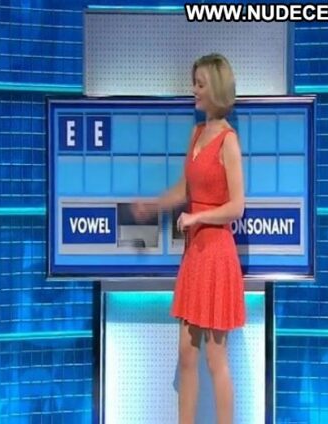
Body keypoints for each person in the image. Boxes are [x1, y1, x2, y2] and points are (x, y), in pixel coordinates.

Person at [132, 53, 246, 424]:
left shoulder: (228, 141)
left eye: (200, 84)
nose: (193, 90)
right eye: (193, 83)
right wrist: (153, 206)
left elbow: (237, 207)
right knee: (186, 354)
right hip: (194, 256)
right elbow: (185, 189)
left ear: (216, 88)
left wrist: (198, 216)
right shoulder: (196, 134)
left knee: (215, 358)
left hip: (217, 255)